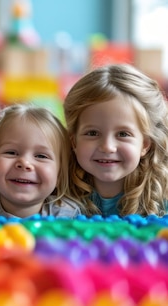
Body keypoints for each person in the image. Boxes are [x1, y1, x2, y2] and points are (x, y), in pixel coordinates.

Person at [64, 63, 168, 217]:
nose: (107, 147)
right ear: (74, 142)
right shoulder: (58, 193)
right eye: (92, 133)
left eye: (123, 134)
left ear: (145, 144)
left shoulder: (161, 198)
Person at [0, 104, 81, 219]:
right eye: (11, 153)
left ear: (59, 175)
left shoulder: (69, 216)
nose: (24, 163)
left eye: (41, 156)